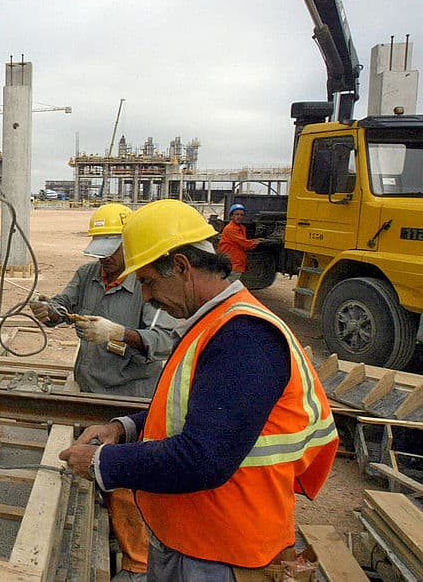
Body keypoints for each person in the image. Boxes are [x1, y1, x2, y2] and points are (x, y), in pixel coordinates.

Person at [59, 199, 338, 581]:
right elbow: (198, 409)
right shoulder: (214, 322)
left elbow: (203, 458)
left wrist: (101, 463)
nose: (145, 297)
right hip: (196, 534)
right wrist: (125, 428)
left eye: (148, 282)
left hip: (221, 550)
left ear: (180, 266)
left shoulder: (244, 336)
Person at [30, 202, 176, 582]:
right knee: (89, 466)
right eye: (101, 251)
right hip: (90, 387)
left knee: (128, 483)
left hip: (130, 396)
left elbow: (165, 339)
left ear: (131, 244)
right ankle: (107, 528)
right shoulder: (88, 274)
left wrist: (119, 333)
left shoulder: (148, 283)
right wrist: (52, 310)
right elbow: (65, 304)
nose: (105, 261)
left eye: (111, 251)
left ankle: (137, 563)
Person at [217, 203, 261, 282]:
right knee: (229, 288)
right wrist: (256, 242)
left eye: (241, 215)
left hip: (235, 263)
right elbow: (244, 243)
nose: (239, 217)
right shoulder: (231, 229)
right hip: (232, 264)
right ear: (231, 216)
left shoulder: (240, 228)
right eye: (237, 214)